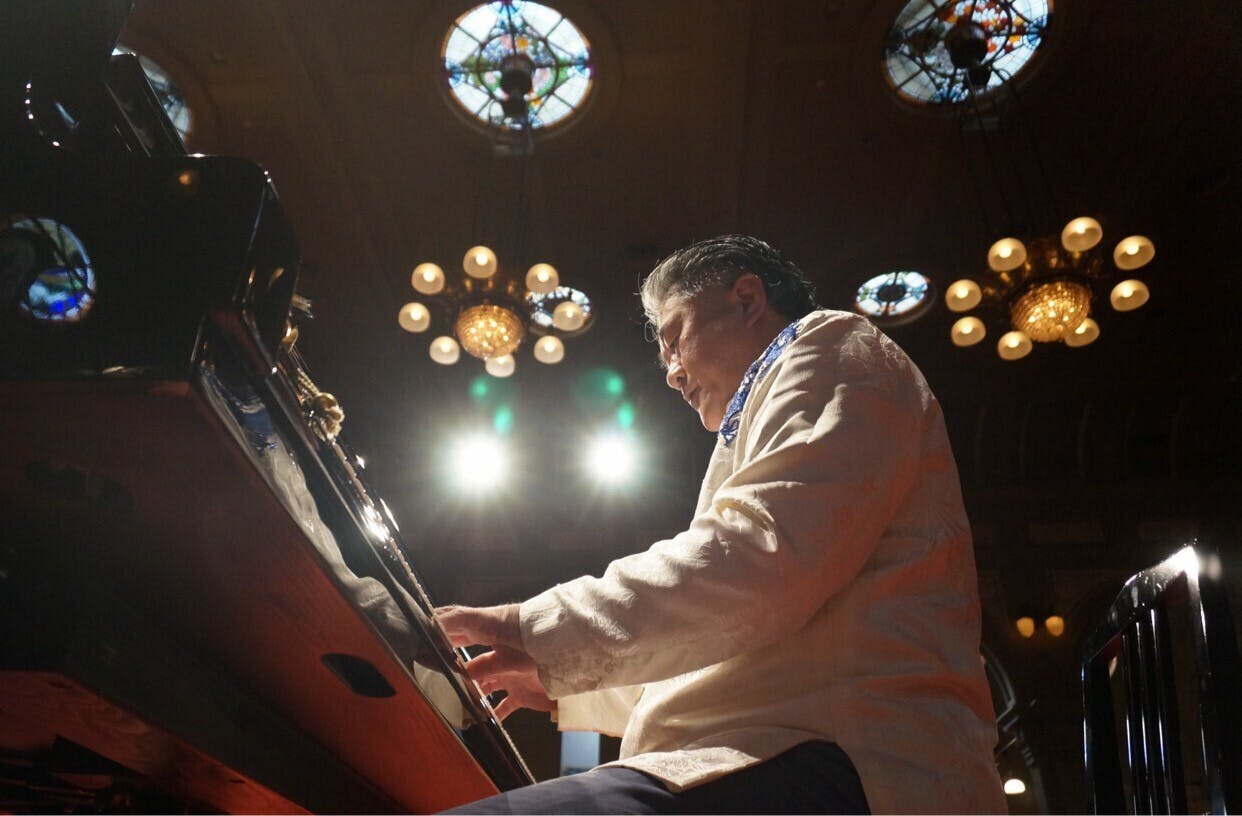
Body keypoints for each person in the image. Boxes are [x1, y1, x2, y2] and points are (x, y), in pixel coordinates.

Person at [436, 235, 1006, 814]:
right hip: (787, 751)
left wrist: (535, 625)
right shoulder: (779, 394)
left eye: (673, 337)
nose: (670, 373)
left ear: (748, 300)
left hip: (848, 761)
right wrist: (565, 682)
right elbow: (731, 642)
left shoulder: (831, 343)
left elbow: (758, 560)